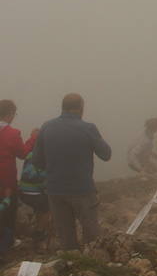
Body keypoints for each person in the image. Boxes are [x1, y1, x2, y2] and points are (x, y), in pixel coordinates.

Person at [33, 93, 112, 251]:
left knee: (66, 239)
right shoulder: (87, 128)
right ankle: (91, 268)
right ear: (81, 108)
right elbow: (106, 154)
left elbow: (37, 161)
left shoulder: (46, 127)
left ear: (62, 107)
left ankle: (71, 266)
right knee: (92, 237)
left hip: (55, 190)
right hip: (82, 189)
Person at [0, 100, 35, 255]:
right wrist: (33, 138)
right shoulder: (12, 133)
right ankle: (5, 246)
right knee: (8, 213)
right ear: (10, 114)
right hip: (6, 181)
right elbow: (23, 153)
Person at [19, 131, 51, 250]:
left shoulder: (29, 155)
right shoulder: (44, 155)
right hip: (36, 193)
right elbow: (41, 178)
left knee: (40, 206)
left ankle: (36, 230)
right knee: (46, 208)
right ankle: (39, 233)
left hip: (23, 192)